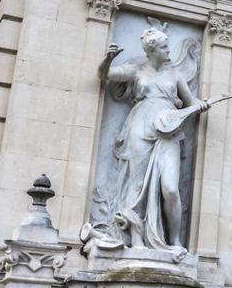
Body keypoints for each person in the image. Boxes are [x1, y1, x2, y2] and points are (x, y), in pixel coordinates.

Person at [90, 27, 223, 256]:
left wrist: (201, 105)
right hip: (140, 127)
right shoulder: (136, 70)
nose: (168, 51)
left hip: (169, 130)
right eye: (163, 47)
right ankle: (136, 239)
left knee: (170, 189)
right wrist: (108, 59)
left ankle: (175, 241)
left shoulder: (174, 74)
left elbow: (191, 101)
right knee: (137, 186)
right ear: (152, 50)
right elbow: (106, 75)